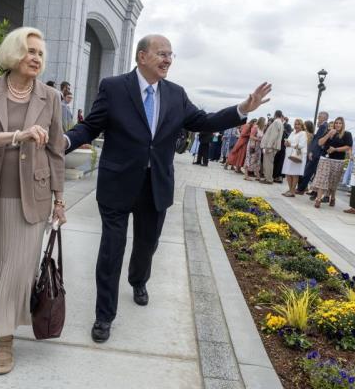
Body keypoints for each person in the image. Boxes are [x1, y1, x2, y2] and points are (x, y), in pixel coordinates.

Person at [64, 34, 271, 343]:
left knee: (147, 245)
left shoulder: (176, 95)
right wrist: (65, 141)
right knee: (111, 250)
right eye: (162, 53)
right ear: (142, 57)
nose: (168, 60)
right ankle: (104, 316)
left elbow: (205, 121)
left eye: (171, 55)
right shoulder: (114, 87)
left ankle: (138, 279)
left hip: (155, 186)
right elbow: (90, 126)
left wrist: (243, 108)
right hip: (118, 184)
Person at [0, 27, 66, 375]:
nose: (37, 58)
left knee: (18, 270)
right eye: (30, 51)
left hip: (30, 199)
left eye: (40, 53)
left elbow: (55, 151)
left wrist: (59, 200)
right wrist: (16, 136)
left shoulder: (50, 97)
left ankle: (5, 340)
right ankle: (3, 316)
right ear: (13, 53)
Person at [310, 116, 352, 208]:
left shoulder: (347, 134)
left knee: (333, 181)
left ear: (343, 124)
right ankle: (318, 199)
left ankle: (332, 197)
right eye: (336, 123)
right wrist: (328, 135)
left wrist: (335, 149)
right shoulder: (328, 132)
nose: (337, 125)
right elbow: (320, 143)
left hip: (338, 160)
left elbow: (348, 147)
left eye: (340, 123)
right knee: (322, 178)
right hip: (325, 159)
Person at [296, 111, 329, 195]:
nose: (318, 118)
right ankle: (309, 190)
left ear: (324, 117)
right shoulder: (323, 126)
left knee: (307, 172)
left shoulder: (323, 126)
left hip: (316, 153)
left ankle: (301, 189)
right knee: (311, 172)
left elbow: (317, 141)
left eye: (319, 116)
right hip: (317, 153)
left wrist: (312, 152)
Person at [281, 118, 308, 196]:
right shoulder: (293, 132)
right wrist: (286, 143)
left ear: (301, 125)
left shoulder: (303, 133)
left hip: (297, 155)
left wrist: (291, 145)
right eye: (295, 124)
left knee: (294, 174)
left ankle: (293, 191)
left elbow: (301, 145)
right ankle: (290, 190)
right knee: (288, 173)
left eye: (298, 124)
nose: (296, 126)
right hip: (289, 154)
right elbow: (289, 141)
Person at [259, 110, 284, 184]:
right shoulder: (280, 123)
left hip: (271, 147)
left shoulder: (276, 122)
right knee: (269, 162)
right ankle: (268, 178)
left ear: (275, 115)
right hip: (274, 146)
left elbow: (273, 135)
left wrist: (268, 146)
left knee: (268, 163)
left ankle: (268, 179)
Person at [273, 116, 293, 183]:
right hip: (277, 145)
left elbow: (288, 135)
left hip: (283, 147)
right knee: (276, 161)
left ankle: (280, 177)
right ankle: (275, 176)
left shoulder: (288, 126)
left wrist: (284, 130)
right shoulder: (278, 124)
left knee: (281, 162)